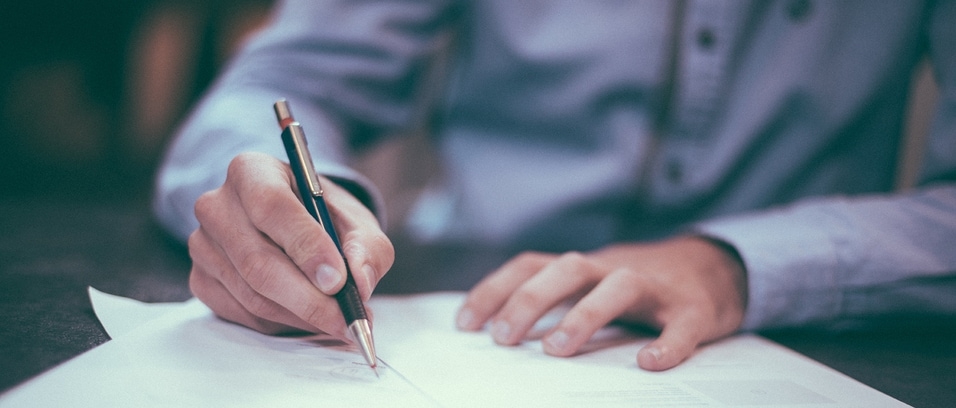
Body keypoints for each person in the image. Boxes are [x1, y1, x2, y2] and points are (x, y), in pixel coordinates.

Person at [153, 0, 956, 371]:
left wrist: (735, 263)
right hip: (467, 306)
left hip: (816, 336)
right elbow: (284, 80)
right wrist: (280, 205)